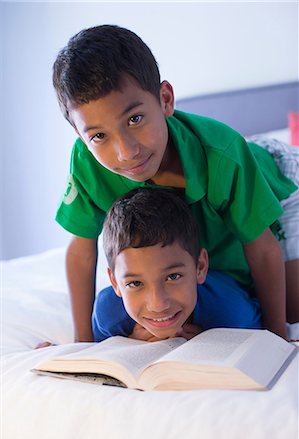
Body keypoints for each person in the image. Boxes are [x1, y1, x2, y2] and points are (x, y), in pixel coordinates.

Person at [53, 24, 298, 342]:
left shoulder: (223, 156)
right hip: (187, 242)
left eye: (135, 119)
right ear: (81, 136)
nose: (126, 152)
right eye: (99, 135)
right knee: (111, 315)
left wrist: (275, 336)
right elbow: (81, 251)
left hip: (275, 177)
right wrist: (81, 345)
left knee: (290, 309)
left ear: (165, 99)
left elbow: (262, 249)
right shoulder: (88, 162)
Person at [92, 188, 262, 342]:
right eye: (135, 283)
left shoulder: (234, 315)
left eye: (173, 276)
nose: (158, 305)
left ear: (200, 267)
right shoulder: (108, 314)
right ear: (115, 283)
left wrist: (211, 340)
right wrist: (129, 342)